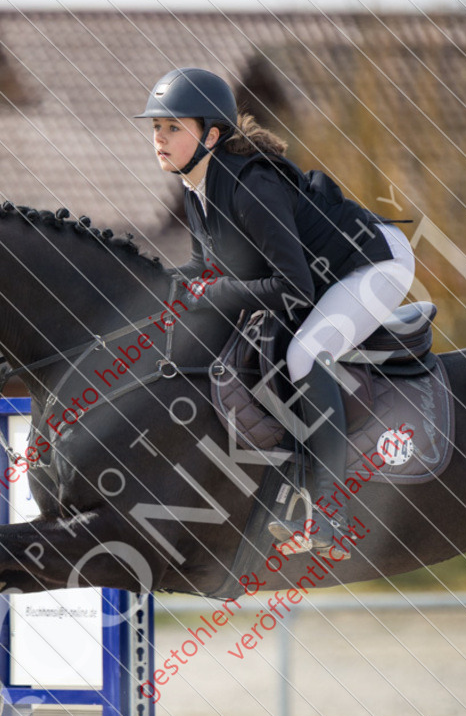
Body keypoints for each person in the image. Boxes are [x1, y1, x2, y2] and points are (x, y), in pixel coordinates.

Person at [135, 66, 415, 557]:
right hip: (326, 273)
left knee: (306, 353)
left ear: (212, 135)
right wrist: (159, 288)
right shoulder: (196, 185)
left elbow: (293, 288)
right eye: (156, 128)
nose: (159, 138)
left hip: (374, 264)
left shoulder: (251, 186)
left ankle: (330, 512)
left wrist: (210, 293)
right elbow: (206, 267)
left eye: (173, 128)